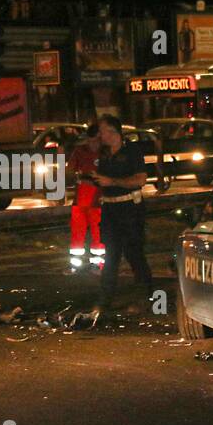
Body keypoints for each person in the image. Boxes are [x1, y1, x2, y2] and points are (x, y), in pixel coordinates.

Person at [82, 114, 153, 310]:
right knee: (111, 254)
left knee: (134, 252)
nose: (100, 135)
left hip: (130, 208)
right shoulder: (104, 153)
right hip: (110, 209)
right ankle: (105, 299)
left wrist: (111, 182)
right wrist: (92, 179)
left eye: (102, 131)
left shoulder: (132, 151)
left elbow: (140, 179)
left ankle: (145, 294)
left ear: (113, 131)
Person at [65, 124, 105, 272]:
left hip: (98, 200)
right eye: (91, 141)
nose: (94, 144)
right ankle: (76, 264)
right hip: (81, 198)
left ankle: (98, 264)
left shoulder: (106, 153)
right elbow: (69, 171)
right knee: (77, 232)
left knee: (98, 233)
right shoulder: (80, 151)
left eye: (97, 141)